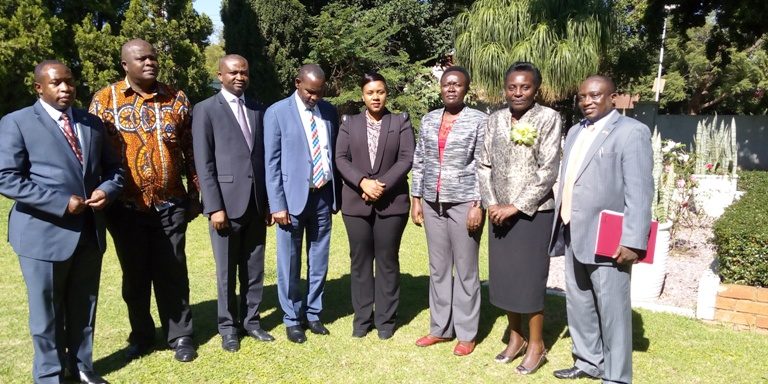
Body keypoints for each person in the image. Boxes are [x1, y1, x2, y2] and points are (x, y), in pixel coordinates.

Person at [0, 61, 123, 384]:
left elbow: (114, 170)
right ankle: (50, 374)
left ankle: (82, 367)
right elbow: (7, 178)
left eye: (69, 82)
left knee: (85, 306)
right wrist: (59, 202)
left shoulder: (91, 123)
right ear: (39, 87)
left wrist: (106, 190)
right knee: (47, 313)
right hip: (42, 234)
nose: (66, 88)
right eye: (56, 83)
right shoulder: (18, 123)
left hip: (87, 233)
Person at [89, 39, 201, 363]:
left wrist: (196, 195)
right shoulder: (104, 100)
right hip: (124, 208)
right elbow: (92, 154)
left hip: (170, 205)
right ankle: (141, 334)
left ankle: (180, 335)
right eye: (142, 58)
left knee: (173, 272)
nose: (150, 62)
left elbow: (191, 151)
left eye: (153, 57)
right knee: (134, 276)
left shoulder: (176, 99)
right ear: (125, 64)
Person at [549, 75, 653, 383]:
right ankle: (587, 362)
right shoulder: (574, 131)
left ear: (613, 97)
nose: (587, 101)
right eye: (582, 96)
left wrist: (633, 240)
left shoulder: (632, 132)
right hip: (573, 230)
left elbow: (640, 191)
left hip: (608, 237)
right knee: (579, 302)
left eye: (595, 95)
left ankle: (617, 376)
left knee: (612, 310)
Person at [477, 62, 561, 374]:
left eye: (525, 86)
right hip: (498, 212)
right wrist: (492, 203)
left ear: (535, 89)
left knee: (530, 279)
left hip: (533, 214)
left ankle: (537, 344)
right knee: (506, 278)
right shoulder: (495, 119)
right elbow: (483, 164)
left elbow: (548, 169)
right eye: (512, 86)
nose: (518, 92)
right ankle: (516, 338)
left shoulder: (548, 118)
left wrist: (516, 205)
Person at [192, 54, 275, 352]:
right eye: (233, 72)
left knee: (254, 268)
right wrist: (214, 206)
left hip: (254, 204)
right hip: (224, 206)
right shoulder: (204, 110)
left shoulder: (257, 109)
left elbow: (263, 159)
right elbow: (204, 163)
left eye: (244, 72)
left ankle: (252, 321)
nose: (240, 77)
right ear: (220, 75)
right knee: (226, 271)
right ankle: (228, 327)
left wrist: (266, 203)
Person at [411, 66, 487, 356]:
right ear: (440, 88)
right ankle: (440, 328)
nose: (451, 89)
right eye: (446, 84)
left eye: (457, 84)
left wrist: (477, 205)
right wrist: (416, 197)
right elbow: (420, 160)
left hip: (465, 202)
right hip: (432, 201)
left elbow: (484, 165)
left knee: (466, 269)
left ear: (466, 89)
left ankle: (466, 333)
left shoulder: (479, 121)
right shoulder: (429, 119)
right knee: (438, 267)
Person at [334, 72, 414, 339]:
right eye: (370, 93)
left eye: (380, 92)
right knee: (360, 262)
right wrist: (362, 183)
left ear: (386, 94)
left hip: (391, 203)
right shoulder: (348, 123)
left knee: (387, 261)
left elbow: (406, 158)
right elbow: (341, 158)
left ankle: (386, 321)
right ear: (362, 96)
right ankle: (362, 319)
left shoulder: (399, 121)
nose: (376, 97)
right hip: (356, 204)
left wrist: (379, 185)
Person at [264, 64, 340, 344]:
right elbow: (271, 163)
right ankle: (292, 318)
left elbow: (332, 152)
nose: (315, 97)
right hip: (291, 200)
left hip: (322, 196)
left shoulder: (329, 112)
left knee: (319, 259)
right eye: (310, 91)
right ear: (297, 83)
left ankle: (313, 313)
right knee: (290, 262)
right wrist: (277, 204)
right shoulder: (277, 113)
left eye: (319, 92)